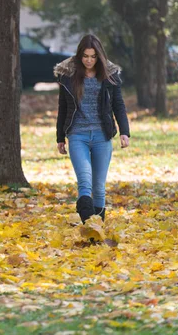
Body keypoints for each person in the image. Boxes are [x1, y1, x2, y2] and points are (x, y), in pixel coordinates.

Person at [54, 34, 130, 224]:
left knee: (98, 187)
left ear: (99, 57)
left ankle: (99, 227)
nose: (89, 60)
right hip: (77, 134)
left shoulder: (110, 75)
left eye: (93, 56)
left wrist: (124, 131)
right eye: (86, 56)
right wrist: (60, 137)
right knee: (85, 181)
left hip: (102, 135)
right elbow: (62, 107)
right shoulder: (68, 76)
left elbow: (118, 105)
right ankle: (89, 225)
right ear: (80, 56)